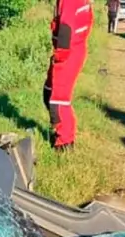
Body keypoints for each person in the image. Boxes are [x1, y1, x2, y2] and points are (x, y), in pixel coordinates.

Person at [44, 0, 94, 151]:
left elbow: (66, 27)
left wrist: (61, 54)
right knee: (48, 91)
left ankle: (64, 142)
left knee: (58, 99)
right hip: (73, 49)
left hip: (69, 53)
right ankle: (59, 129)